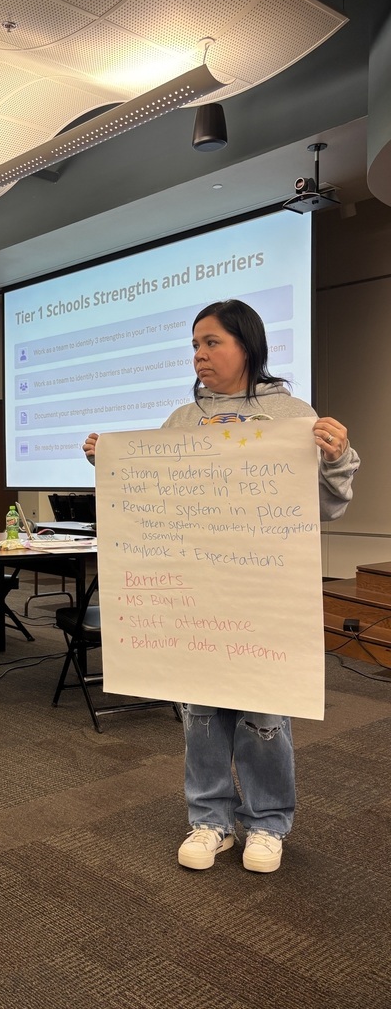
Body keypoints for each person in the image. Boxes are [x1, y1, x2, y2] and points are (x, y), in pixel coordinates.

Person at [83, 298, 359, 873]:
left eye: (212, 342)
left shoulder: (292, 414)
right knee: (202, 711)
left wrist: (336, 458)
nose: (200, 355)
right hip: (197, 592)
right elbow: (154, 498)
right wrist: (111, 465)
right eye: (194, 345)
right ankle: (209, 819)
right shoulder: (184, 421)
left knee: (264, 714)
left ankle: (266, 823)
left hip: (263, 593)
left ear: (247, 345)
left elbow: (327, 508)